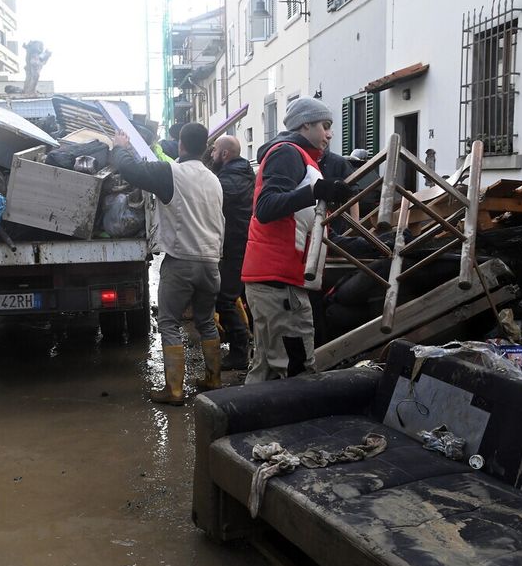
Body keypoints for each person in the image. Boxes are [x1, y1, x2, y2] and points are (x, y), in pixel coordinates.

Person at [241, 97, 353, 383]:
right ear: (305, 125)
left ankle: (245, 412)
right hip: (279, 283)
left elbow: (311, 229)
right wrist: (316, 192)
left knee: (267, 368)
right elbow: (266, 207)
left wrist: (378, 243)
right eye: (325, 126)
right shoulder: (287, 153)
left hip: (277, 281)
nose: (330, 134)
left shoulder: (303, 159)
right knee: (295, 371)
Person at [112, 123, 225, 405]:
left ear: (181, 145)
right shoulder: (213, 179)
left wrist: (120, 147)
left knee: (169, 322)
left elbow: (131, 171)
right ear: (205, 147)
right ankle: (213, 379)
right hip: (211, 263)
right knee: (206, 321)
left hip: (181, 262)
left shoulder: (170, 173)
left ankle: (174, 391)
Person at [210, 135, 255, 370]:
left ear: (225, 154)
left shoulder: (230, 180)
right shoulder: (239, 172)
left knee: (224, 299)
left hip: (237, 245)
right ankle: (249, 345)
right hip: (239, 243)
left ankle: (240, 352)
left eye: (214, 150)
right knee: (240, 297)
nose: (211, 154)